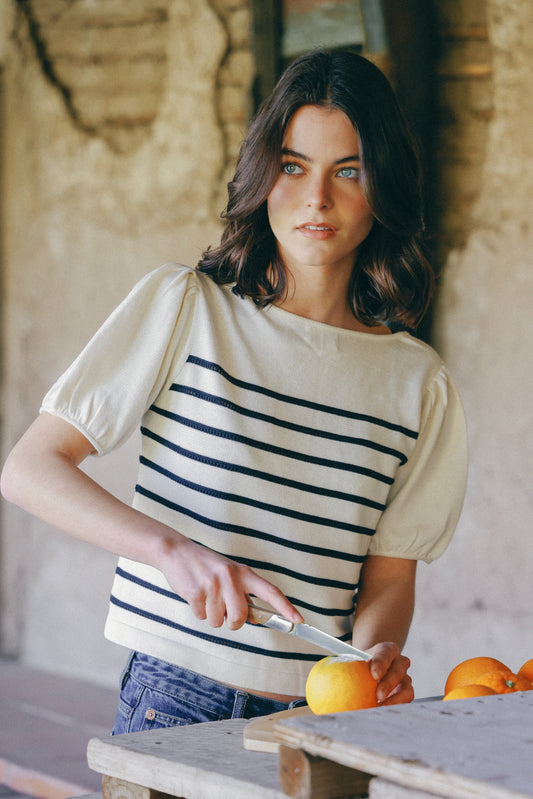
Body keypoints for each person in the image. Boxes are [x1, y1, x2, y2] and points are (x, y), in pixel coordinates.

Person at [1, 49, 467, 733]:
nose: (317, 199)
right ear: (261, 173)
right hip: (175, 696)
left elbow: (390, 578)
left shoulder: (419, 383)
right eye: (292, 166)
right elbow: (29, 469)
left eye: (349, 170)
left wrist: (374, 654)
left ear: (384, 185)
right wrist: (171, 551)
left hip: (323, 718)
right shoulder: (184, 306)